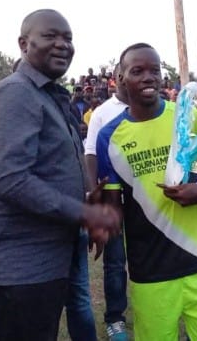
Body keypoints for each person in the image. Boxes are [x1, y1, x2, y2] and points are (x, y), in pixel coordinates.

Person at [0, 9, 121, 341]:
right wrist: (86, 213)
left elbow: (52, 167)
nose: (63, 44)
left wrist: (87, 203)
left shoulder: (46, 94)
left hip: (42, 254)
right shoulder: (15, 93)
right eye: (51, 36)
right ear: (23, 43)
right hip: (15, 262)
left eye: (68, 38)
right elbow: (12, 181)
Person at [97, 43, 197, 341]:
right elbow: (114, 207)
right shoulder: (111, 136)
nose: (148, 77)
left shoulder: (190, 117)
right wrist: (99, 216)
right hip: (150, 272)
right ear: (120, 78)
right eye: (137, 71)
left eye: (155, 70)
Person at [83, 62, 130, 340]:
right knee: (114, 261)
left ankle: (155, 305)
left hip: (145, 198)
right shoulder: (103, 112)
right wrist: (94, 193)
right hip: (112, 196)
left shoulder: (152, 108)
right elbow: (90, 153)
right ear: (117, 78)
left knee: (147, 256)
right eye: (128, 72)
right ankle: (115, 318)